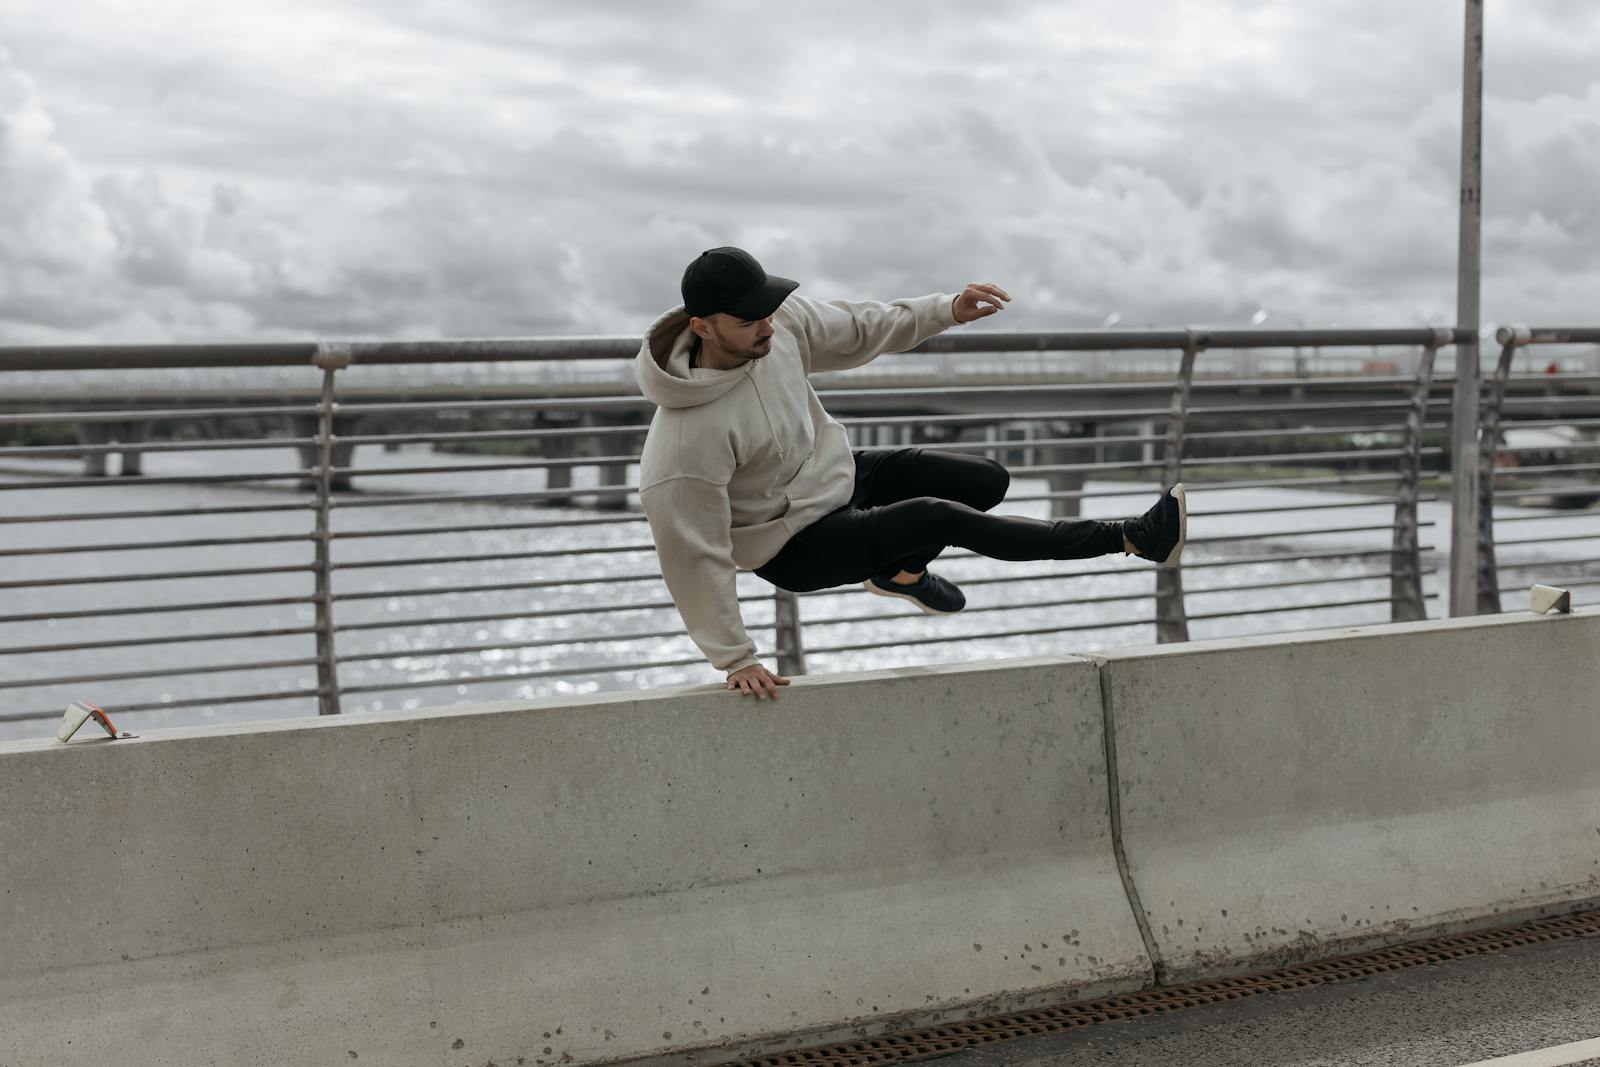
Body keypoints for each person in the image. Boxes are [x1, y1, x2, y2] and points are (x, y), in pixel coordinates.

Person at [634, 247, 1186, 700]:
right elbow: (692, 551)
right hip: (794, 545)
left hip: (838, 479)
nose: (768, 328)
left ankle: (899, 574)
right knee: (937, 517)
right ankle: (1133, 538)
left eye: (769, 311)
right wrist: (736, 658)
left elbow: (857, 328)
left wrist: (946, 309)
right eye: (750, 320)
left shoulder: (780, 327)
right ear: (703, 327)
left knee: (983, 480)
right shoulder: (686, 439)